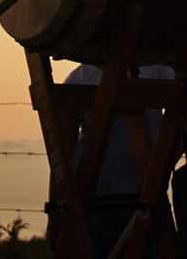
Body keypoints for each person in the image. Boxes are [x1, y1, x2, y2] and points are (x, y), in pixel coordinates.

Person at [62, 63, 174, 259]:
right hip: (94, 201)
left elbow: (181, 125)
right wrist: (57, 211)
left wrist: (161, 169)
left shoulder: (157, 68)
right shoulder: (80, 77)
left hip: (143, 198)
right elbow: (63, 154)